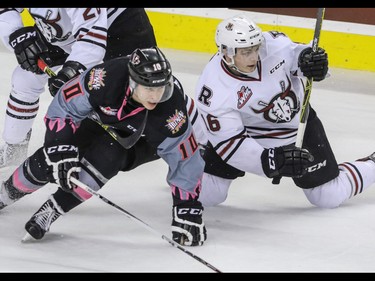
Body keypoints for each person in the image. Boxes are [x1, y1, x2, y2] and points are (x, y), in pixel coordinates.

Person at [0, 46, 207, 247]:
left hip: (143, 140)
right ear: (132, 83)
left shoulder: (170, 111)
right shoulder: (106, 78)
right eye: (149, 89)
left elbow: (185, 159)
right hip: (102, 120)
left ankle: (53, 209)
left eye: (160, 87)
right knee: (48, 161)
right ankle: (5, 194)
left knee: (107, 158)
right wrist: (59, 146)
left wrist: (187, 207)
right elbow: (65, 104)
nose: (156, 96)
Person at [195, 15, 375, 208]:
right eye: (246, 52)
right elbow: (231, 145)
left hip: (297, 127)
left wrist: (312, 62)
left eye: (256, 49)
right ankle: (193, 139)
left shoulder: (272, 44)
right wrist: (270, 162)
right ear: (226, 52)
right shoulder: (213, 88)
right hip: (248, 134)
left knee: (327, 196)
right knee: (207, 195)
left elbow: (300, 55)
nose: (254, 57)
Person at [0, 8, 157, 168]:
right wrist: (16, 34)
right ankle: (15, 147)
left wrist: (69, 73)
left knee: (145, 97)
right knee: (25, 79)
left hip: (120, 28)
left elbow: (91, 40)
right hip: (66, 33)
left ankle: (175, 149)